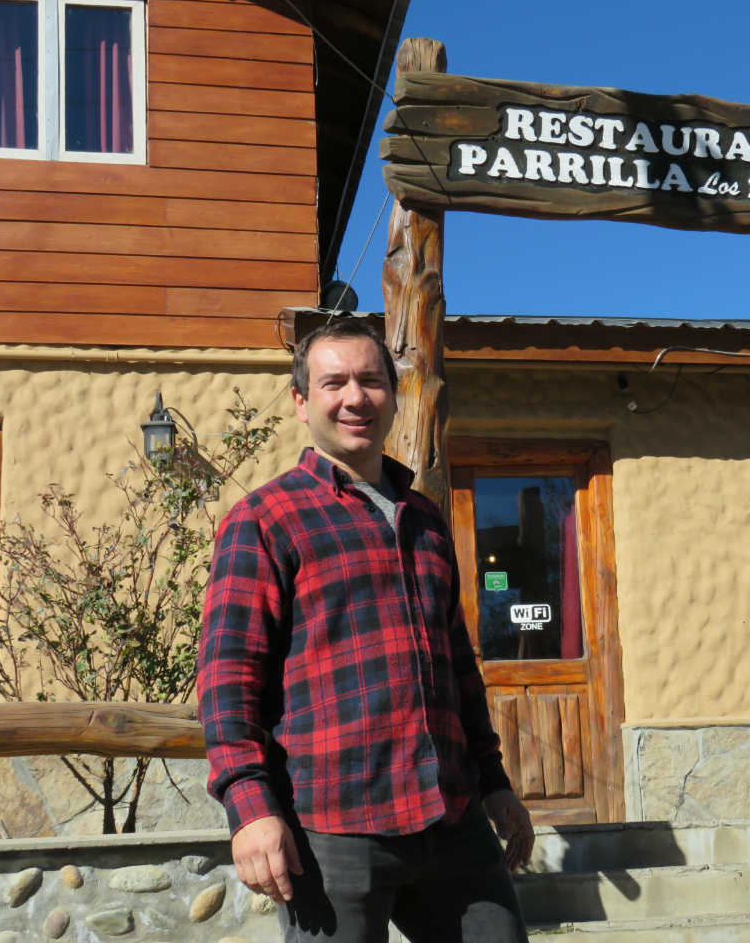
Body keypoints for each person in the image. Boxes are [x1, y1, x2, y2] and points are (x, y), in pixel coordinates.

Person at [198, 321, 533, 942]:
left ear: (393, 395)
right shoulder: (266, 519)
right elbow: (227, 679)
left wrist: (495, 783)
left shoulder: (426, 518)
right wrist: (249, 808)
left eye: (371, 380)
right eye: (334, 382)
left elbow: (458, 666)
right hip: (333, 831)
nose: (355, 397)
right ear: (302, 403)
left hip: (450, 817)